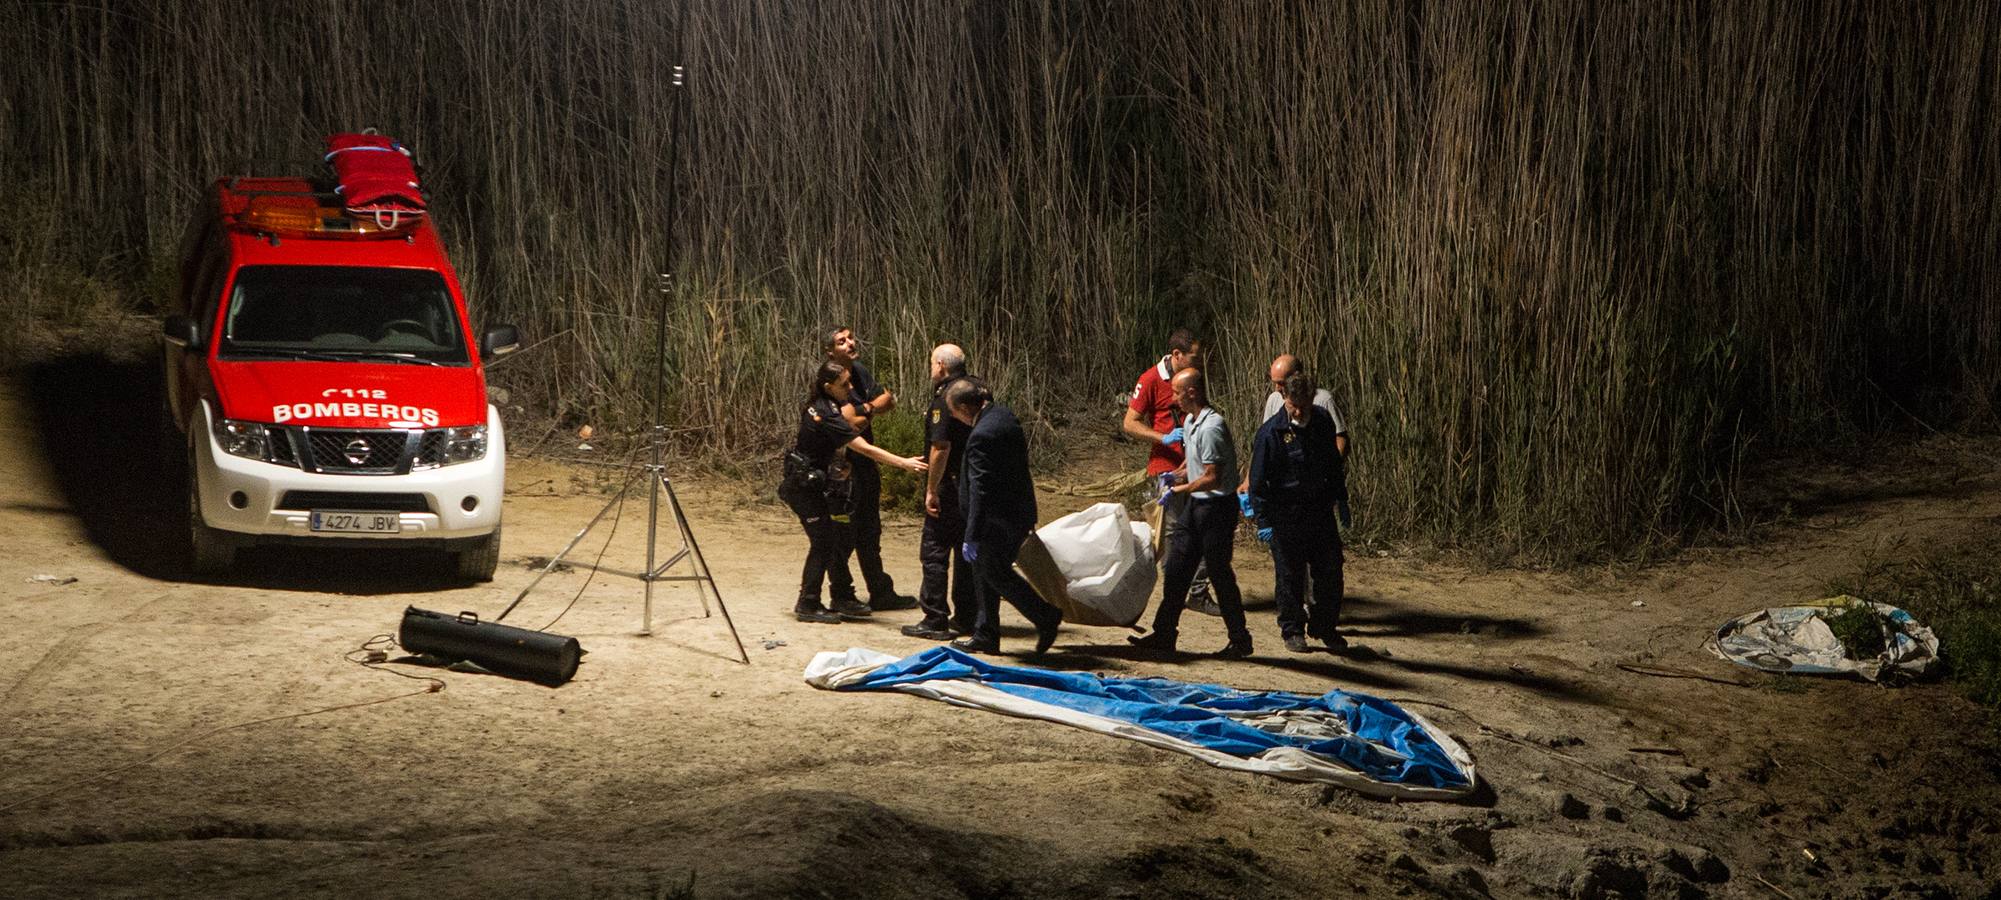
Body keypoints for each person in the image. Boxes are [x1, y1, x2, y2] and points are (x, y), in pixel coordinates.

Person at [780, 361, 927, 624]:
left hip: (814, 483)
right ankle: (808, 603)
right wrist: (903, 463)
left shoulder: (830, 406)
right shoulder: (825, 412)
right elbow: (865, 448)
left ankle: (816, 600)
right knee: (824, 542)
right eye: (844, 384)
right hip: (803, 488)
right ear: (828, 387)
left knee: (828, 541)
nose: (850, 387)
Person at [1127, 368, 1253, 658]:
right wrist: (1176, 474)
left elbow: (1213, 476)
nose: (1173, 398)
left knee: (1220, 574)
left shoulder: (1211, 427)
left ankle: (1240, 639)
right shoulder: (1192, 421)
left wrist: (1179, 490)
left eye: (1177, 393)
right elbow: (1193, 461)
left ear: (1192, 392)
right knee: (1177, 568)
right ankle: (1164, 632)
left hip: (1215, 508)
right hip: (1197, 506)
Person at [948, 378, 1062, 655]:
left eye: (954, 412)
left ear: (964, 407)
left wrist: (971, 535)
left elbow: (980, 490)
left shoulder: (980, 437)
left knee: (996, 574)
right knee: (984, 574)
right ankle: (986, 632)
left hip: (997, 521)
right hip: (1015, 513)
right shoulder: (1003, 415)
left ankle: (1045, 615)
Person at [1246, 372, 1348, 652]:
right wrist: (1263, 519)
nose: (1299, 411)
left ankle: (1325, 626)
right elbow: (1258, 480)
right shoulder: (1271, 433)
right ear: (1285, 400)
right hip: (1286, 515)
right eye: (1294, 405)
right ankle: (1292, 630)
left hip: (1319, 512)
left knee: (1330, 572)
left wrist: (1342, 499)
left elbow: (1332, 466)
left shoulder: (1322, 422)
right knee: (1289, 576)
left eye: (1304, 404)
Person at [1121, 327, 1216, 614]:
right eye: (1194, 357)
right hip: (1166, 468)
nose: (1199, 362)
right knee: (1172, 534)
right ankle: (1174, 593)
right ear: (1177, 355)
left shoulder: (1193, 379)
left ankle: (1197, 592)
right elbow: (1130, 422)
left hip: (1198, 466)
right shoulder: (1151, 379)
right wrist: (1163, 437)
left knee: (1203, 528)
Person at [824, 326, 919, 611]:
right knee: (842, 535)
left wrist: (866, 409)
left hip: (865, 466)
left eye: (850, 337)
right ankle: (841, 595)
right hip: (840, 470)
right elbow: (847, 424)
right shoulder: (828, 378)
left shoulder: (860, 371)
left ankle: (880, 591)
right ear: (831, 351)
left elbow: (888, 399)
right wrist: (869, 409)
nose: (850, 343)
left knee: (870, 531)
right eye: (842, 341)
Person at [902, 343, 978, 640]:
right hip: (973, 484)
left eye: (932, 363)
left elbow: (940, 448)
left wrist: (931, 488)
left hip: (950, 484)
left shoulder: (945, 398)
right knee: (965, 552)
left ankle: (934, 617)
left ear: (941, 367)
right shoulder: (977, 389)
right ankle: (968, 615)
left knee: (934, 550)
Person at [1238, 353, 1350, 526]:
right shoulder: (1274, 400)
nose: (1277, 388)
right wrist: (1248, 480)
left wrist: (1331, 481)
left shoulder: (1322, 401)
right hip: (1285, 492)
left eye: (1281, 382)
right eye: (1274, 382)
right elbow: (1263, 446)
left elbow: (1339, 438)